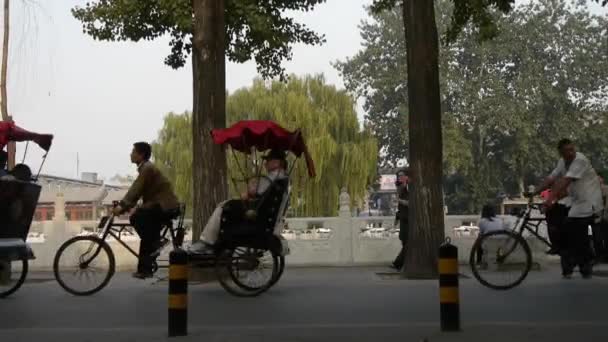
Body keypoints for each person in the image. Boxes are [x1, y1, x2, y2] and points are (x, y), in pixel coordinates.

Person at [189, 149, 289, 255]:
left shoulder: (270, 178)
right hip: (268, 222)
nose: (265, 163)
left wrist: (250, 187)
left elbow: (248, 194)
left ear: (277, 163)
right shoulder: (283, 179)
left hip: (258, 223)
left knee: (223, 206)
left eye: (268, 160)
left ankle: (206, 241)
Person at [535, 139, 603, 279]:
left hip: (589, 201)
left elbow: (565, 181)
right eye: (567, 151)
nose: (571, 153)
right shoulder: (562, 162)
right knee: (559, 223)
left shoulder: (580, 160)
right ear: (561, 152)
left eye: (572, 149)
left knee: (573, 230)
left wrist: (549, 199)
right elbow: (551, 178)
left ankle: (585, 262)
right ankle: (564, 256)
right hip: (574, 200)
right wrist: (535, 192)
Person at [112, 142, 180, 279]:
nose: (130, 154)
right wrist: (127, 206)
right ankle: (145, 269)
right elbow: (138, 192)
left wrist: (123, 205)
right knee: (147, 236)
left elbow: (136, 189)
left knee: (137, 218)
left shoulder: (147, 168)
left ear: (141, 154)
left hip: (164, 206)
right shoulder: (145, 168)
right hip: (158, 206)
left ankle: (156, 243)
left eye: (133, 151)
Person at [391, 168, 409, 270]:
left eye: (402, 175)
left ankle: (398, 263)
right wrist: (396, 220)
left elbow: (411, 203)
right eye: (399, 176)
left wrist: (399, 200)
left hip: (409, 220)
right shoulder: (401, 190)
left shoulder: (409, 189)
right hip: (403, 220)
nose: (400, 178)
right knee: (404, 241)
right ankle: (400, 263)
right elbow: (400, 209)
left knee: (408, 243)